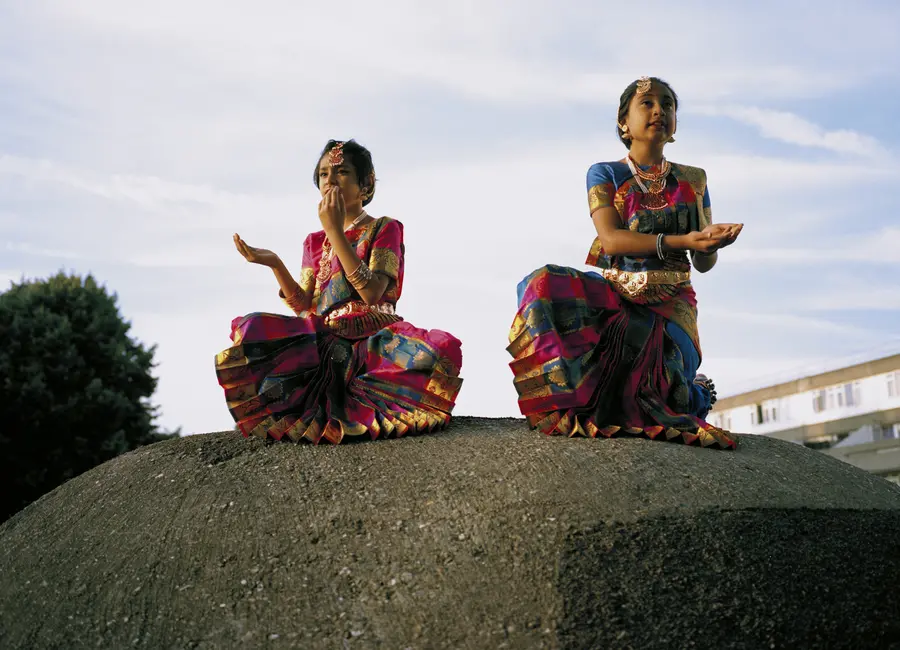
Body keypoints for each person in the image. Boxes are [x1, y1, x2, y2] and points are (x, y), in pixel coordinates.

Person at [507, 77, 742, 449]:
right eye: (646, 103)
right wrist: (682, 240)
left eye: (668, 104)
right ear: (623, 123)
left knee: (668, 400)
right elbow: (612, 239)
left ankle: (695, 389)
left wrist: (713, 243)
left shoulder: (694, 180)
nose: (659, 110)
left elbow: (703, 263)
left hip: (672, 305)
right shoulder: (605, 174)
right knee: (542, 284)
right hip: (617, 297)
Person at [216, 139, 463, 444]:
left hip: (372, 338)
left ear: (366, 184)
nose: (330, 181)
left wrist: (335, 231)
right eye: (322, 175)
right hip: (327, 336)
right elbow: (306, 307)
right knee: (253, 327)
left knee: (435, 354)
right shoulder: (313, 241)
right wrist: (275, 264)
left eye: (341, 172)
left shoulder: (385, 227)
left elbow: (372, 294)